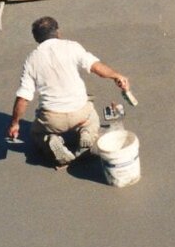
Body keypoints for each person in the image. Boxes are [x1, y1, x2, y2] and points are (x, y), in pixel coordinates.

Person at [7, 15, 131, 168]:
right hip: (80, 111)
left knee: (36, 133)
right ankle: (87, 133)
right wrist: (116, 76)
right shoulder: (72, 47)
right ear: (58, 32)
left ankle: (51, 140)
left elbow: (23, 98)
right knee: (92, 119)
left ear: (36, 38)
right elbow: (96, 67)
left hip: (52, 118)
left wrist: (15, 124)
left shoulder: (31, 59)